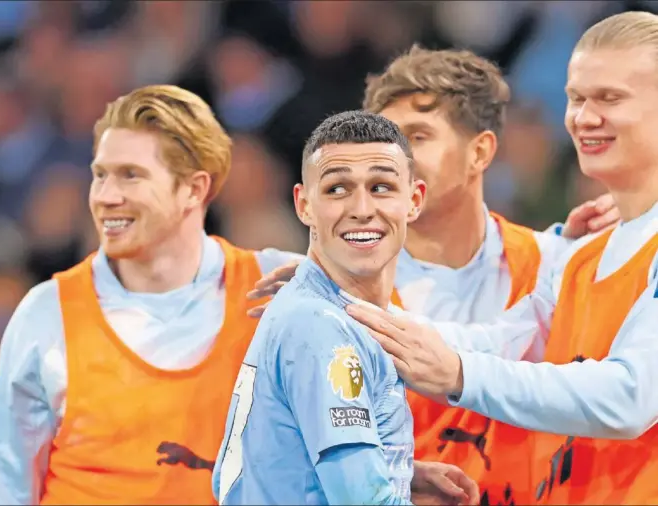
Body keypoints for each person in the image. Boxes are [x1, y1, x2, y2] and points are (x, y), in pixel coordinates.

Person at [248, 46, 621, 505]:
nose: (392, 158)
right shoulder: (321, 286)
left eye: (417, 136)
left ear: (480, 151)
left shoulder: (558, 265)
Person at [345, 11, 658, 505]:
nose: (583, 117)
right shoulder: (583, 256)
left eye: (610, 98)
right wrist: (351, 314)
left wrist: (458, 374)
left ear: (482, 152)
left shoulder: (562, 252)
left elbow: (631, 396)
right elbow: (506, 341)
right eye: (575, 98)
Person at [0, 85, 304, 505]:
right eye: (100, 174)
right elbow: (4, 492)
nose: (106, 197)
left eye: (131, 175)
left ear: (194, 189)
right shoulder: (46, 314)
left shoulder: (278, 287)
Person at [213, 110, 477, 506]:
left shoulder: (320, 307)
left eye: (381, 187)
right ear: (304, 205)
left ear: (414, 200)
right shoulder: (322, 328)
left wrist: (398, 469)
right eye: (337, 189)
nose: (361, 208)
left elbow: (263, 462)